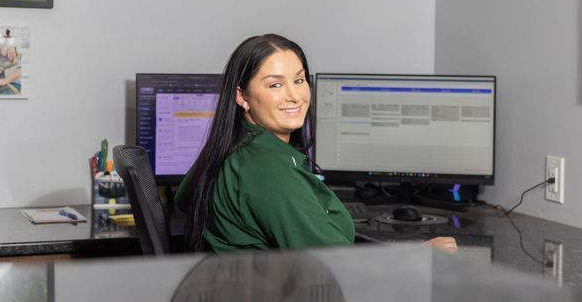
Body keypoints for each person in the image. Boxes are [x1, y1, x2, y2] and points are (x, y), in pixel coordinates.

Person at [175, 34, 457, 254]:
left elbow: (183, 199)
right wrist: (417, 259)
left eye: (298, 80)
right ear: (242, 97)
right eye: (275, 85)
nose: (294, 96)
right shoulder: (267, 167)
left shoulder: (233, 146)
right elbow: (335, 266)